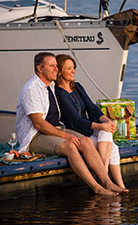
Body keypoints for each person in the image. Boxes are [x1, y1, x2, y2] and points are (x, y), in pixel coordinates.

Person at [16, 52, 126, 196]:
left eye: (56, 66)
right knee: (70, 146)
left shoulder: (52, 87)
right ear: (39, 68)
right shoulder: (31, 90)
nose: (56, 69)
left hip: (54, 129)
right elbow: (39, 124)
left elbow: (89, 106)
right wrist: (66, 136)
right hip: (35, 136)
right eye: (52, 66)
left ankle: (107, 182)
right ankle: (96, 188)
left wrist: (105, 120)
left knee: (86, 141)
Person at [54, 54, 126, 190]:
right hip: (75, 132)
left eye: (73, 68)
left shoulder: (78, 87)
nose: (73, 71)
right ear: (59, 72)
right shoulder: (59, 93)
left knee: (107, 134)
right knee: (113, 147)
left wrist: (106, 120)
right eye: (69, 68)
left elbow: (91, 107)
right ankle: (107, 181)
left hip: (88, 130)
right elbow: (75, 120)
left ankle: (115, 182)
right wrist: (101, 126)